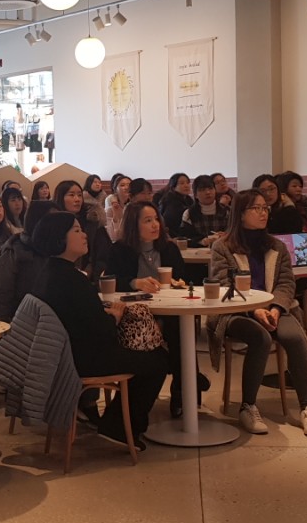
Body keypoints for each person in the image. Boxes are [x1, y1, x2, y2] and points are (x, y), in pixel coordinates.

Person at [32, 211, 168, 450]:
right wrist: (115, 316)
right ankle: (118, 428)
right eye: (76, 230)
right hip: (83, 359)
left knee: (151, 356)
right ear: (59, 238)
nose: (84, 235)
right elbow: (102, 331)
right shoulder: (71, 280)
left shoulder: (49, 272)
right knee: (157, 360)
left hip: (65, 354)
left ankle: (118, 423)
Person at [208, 189, 307, 436]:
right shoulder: (222, 247)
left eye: (265, 208)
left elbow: (286, 282)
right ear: (240, 214)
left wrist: (275, 308)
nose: (263, 213)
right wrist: (255, 310)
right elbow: (224, 285)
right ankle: (248, 406)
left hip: (274, 308)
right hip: (235, 311)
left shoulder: (276, 246)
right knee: (260, 338)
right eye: (256, 208)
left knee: (295, 337)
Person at [108, 200, 204, 416]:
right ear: (133, 224)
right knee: (172, 333)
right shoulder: (120, 249)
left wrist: (177, 282)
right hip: (135, 314)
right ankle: (189, 383)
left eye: (156, 220)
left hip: (168, 309)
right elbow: (109, 280)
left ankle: (183, 390)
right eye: (147, 221)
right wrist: (134, 282)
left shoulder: (168, 248)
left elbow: (182, 278)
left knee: (180, 329)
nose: (155, 225)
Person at [0, 201, 56, 322]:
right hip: (23, 322)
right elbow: (0, 297)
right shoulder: (15, 252)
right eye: (53, 221)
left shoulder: (58, 250)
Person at [54, 179, 112, 277]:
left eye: (80, 195)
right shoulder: (53, 225)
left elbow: (102, 256)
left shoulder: (92, 222)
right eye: (71, 195)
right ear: (60, 198)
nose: (77, 199)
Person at [179, 174, 229, 246]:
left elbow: (236, 235)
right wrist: (201, 241)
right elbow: (184, 239)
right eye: (202, 190)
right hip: (197, 251)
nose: (208, 192)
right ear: (195, 195)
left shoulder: (226, 211)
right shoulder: (189, 214)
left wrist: (226, 235)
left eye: (210, 188)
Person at [156, 173, 194, 237]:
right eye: (182, 183)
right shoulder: (171, 201)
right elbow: (171, 224)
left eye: (187, 183)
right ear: (173, 187)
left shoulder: (188, 199)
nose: (186, 185)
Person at [103, 175, 131, 241]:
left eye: (129, 185)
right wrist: (115, 216)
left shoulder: (135, 207)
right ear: (115, 190)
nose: (126, 187)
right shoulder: (110, 210)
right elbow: (113, 237)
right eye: (122, 185)